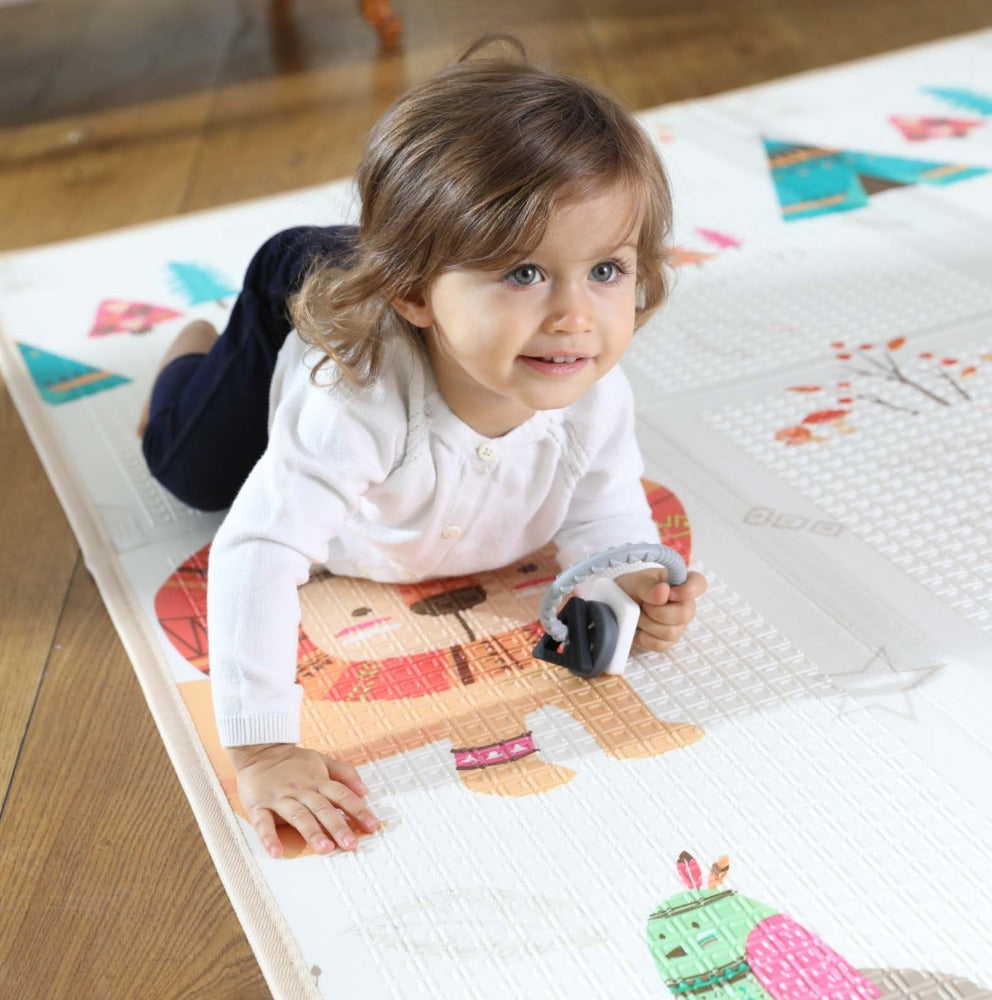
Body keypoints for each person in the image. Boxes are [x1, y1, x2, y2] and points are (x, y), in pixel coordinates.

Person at [140, 36, 708, 859]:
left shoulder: (587, 385)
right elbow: (256, 550)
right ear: (412, 293)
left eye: (608, 270)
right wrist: (262, 747)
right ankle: (189, 353)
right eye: (524, 273)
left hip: (411, 266)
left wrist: (629, 581)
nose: (576, 316)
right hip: (300, 294)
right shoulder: (354, 400)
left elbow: (606, 501)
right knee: (189, 473)